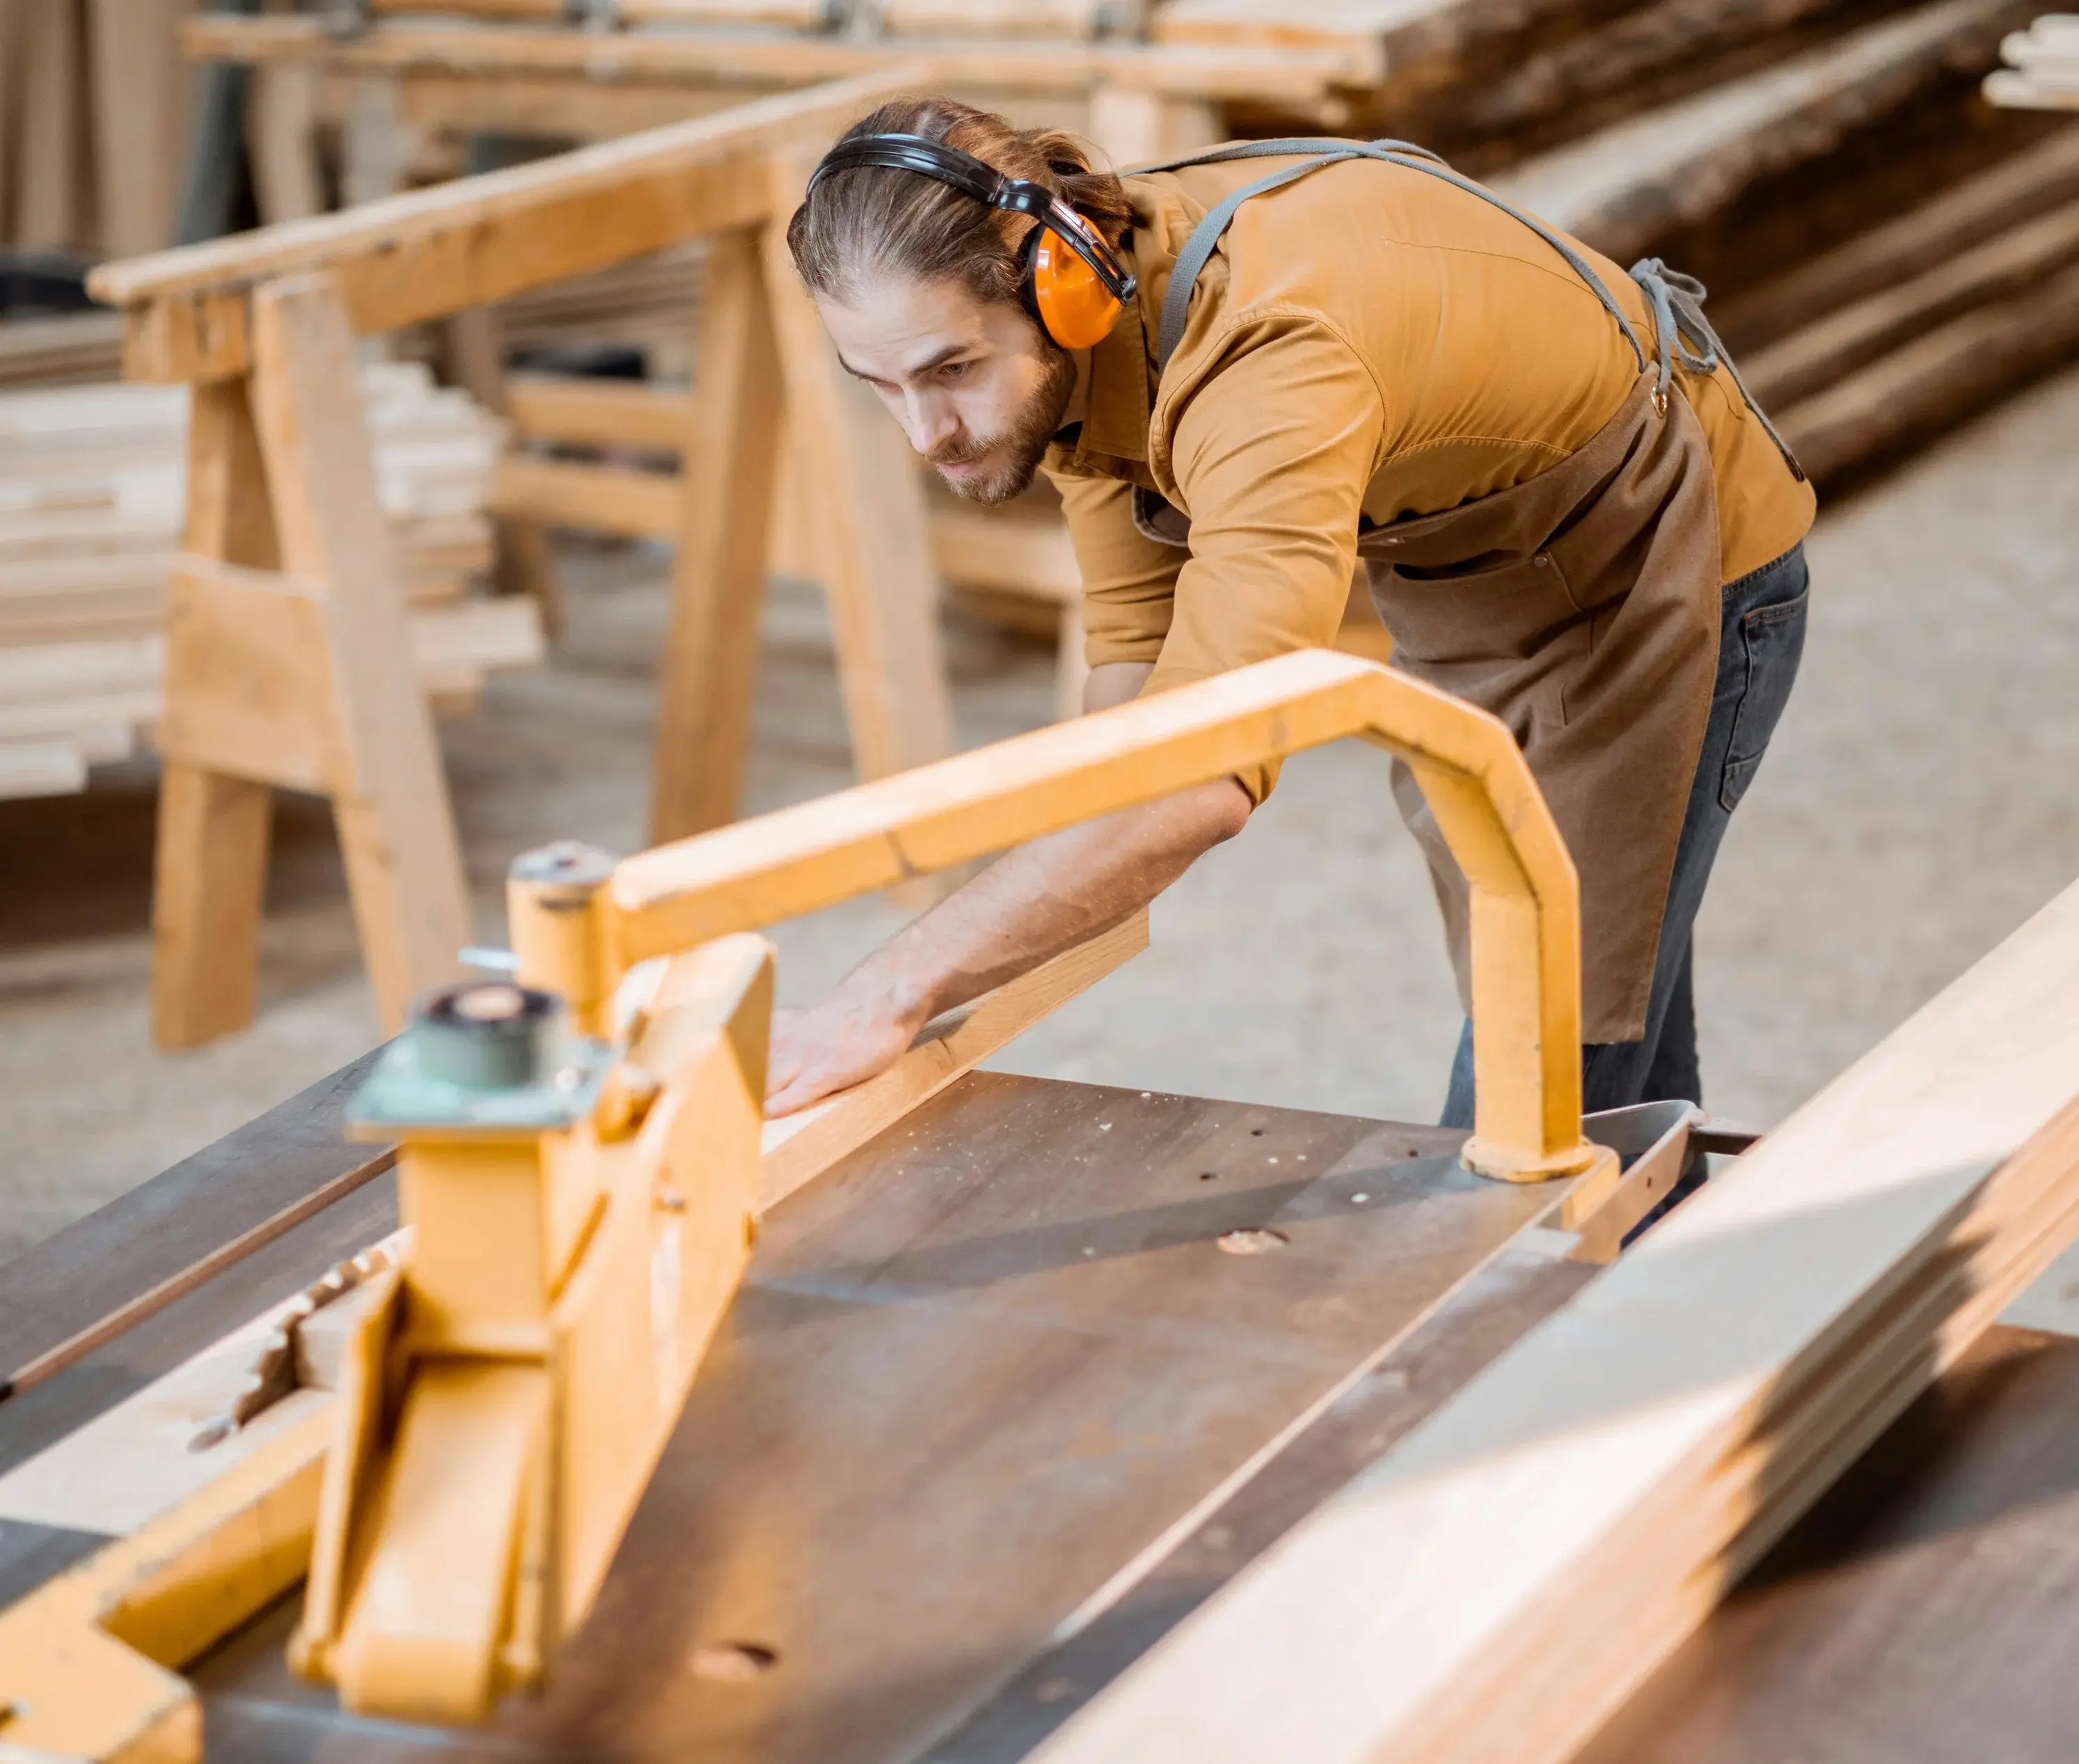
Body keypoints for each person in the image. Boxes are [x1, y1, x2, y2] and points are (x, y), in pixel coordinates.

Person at [761, 97, 1815, 1127]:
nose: (926, 435)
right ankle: (1655, 1247)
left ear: (1061, 285)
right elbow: (1137, 663)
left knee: (1545, 1042)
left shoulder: (1270, 356)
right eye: (881, 385)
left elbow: (1202, 777)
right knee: (1604, 1022)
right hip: (1488, 571)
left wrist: (886, 991)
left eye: (950, 371)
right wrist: (1066, 874)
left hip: (1657, 567)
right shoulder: (1082, 339)